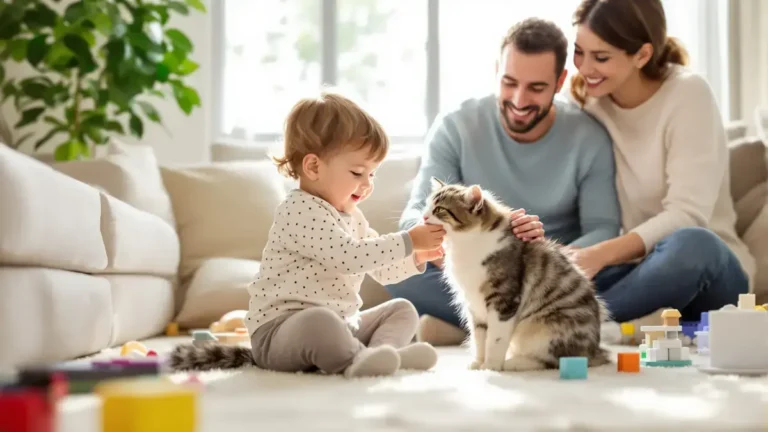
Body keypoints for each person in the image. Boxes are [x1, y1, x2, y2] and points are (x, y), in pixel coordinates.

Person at [385, 18, 622, 345]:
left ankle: (469, 326)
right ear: (497, 70)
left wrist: (536, 258)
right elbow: (413, 215)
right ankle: (506, 327)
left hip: (550, 281)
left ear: (560, 81)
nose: (519, 100)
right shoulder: (456, 126)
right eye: (509, 82)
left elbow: (604, 227)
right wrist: (446, 248)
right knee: (395, 264)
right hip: (475, 272)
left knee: (684, 257)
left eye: (536, 88)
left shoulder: (588, 137)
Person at [568, 0, 755, 329]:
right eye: (579, 51)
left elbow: (687, 214)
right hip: (639, 273)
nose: (584, 67)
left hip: (709, 272)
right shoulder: (587, 102)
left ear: (641, 55)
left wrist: (599, 255)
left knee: (693, 243)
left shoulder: (687, 94)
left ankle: (577, 324)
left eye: (601, 57)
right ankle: (573, 318)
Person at [244, 91, 449, 378]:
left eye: (373, 174)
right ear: (313, 166)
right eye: (357, 172)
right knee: (319, 321)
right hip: (279, 332)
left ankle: (379, 355)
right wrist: (408, 240)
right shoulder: (299, 210)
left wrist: (416, 256)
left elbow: (382, 270)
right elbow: (349, 258)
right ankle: (354, 361)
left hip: (340, 325)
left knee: (401, 309)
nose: (367, 184)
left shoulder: (352, 217)